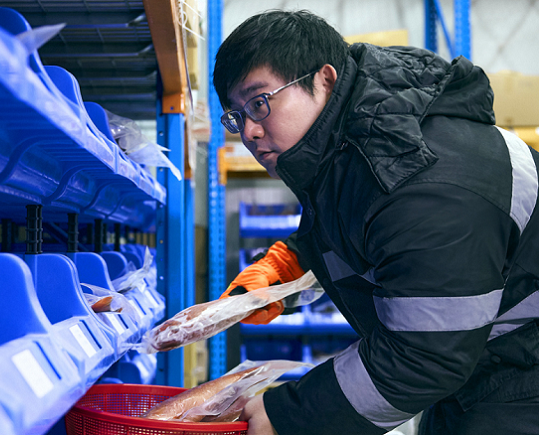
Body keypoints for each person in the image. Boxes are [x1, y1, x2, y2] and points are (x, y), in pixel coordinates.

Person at [212, 9, 539, 435]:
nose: (249, 132)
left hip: (521, 377)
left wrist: (291, 414)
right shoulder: (360, 147)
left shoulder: (424, 178)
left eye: (259, 103)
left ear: (324, 80)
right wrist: (289, 265)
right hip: (479, 367)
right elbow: (369, 233)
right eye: (236, 115)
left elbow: (422, 354)